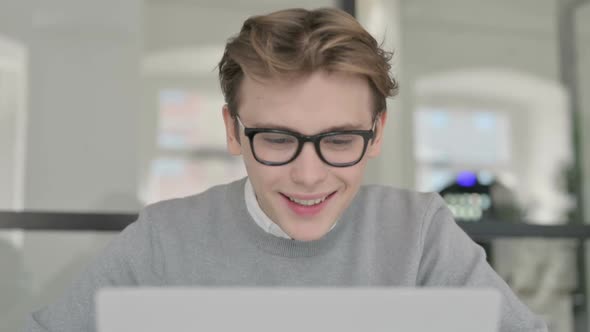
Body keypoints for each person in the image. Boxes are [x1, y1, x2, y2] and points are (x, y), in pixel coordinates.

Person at [25, 7, 547, 332]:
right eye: (277, 138)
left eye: (339, 139)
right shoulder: (165, 237)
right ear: (233, 130)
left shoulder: (420, 232)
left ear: (377, 134)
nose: (308, 175)